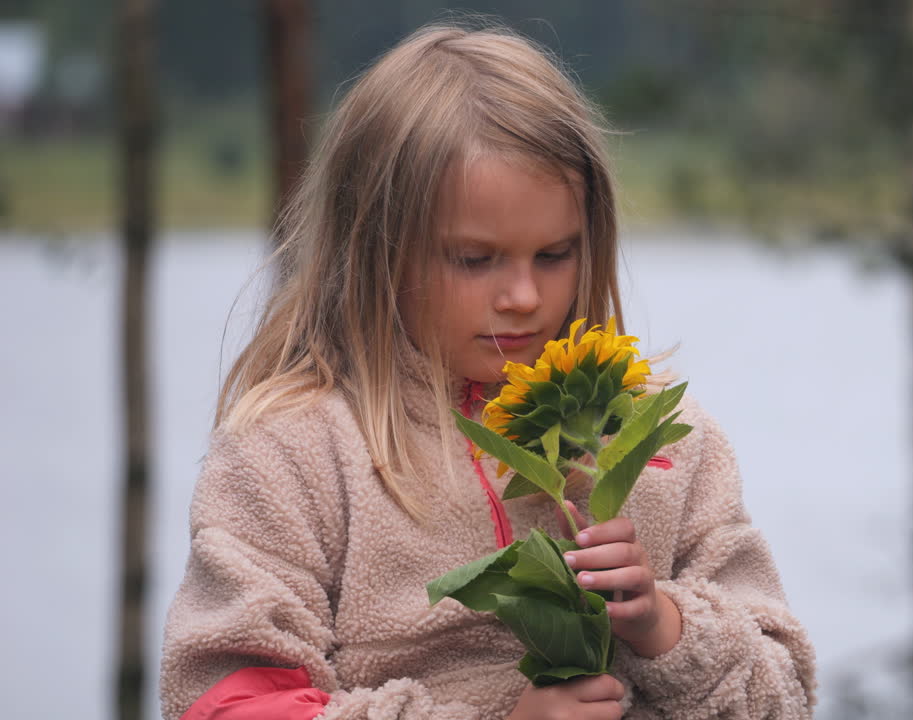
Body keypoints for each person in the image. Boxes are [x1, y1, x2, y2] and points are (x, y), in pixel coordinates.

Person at [160, 23, 816, 720]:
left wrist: (663, 626)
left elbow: (785, 697)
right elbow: (224, 701)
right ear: (376, 249)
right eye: (475, 260)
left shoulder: (668, 444)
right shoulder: (291, 453)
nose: (524, 297)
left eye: (556, 254)